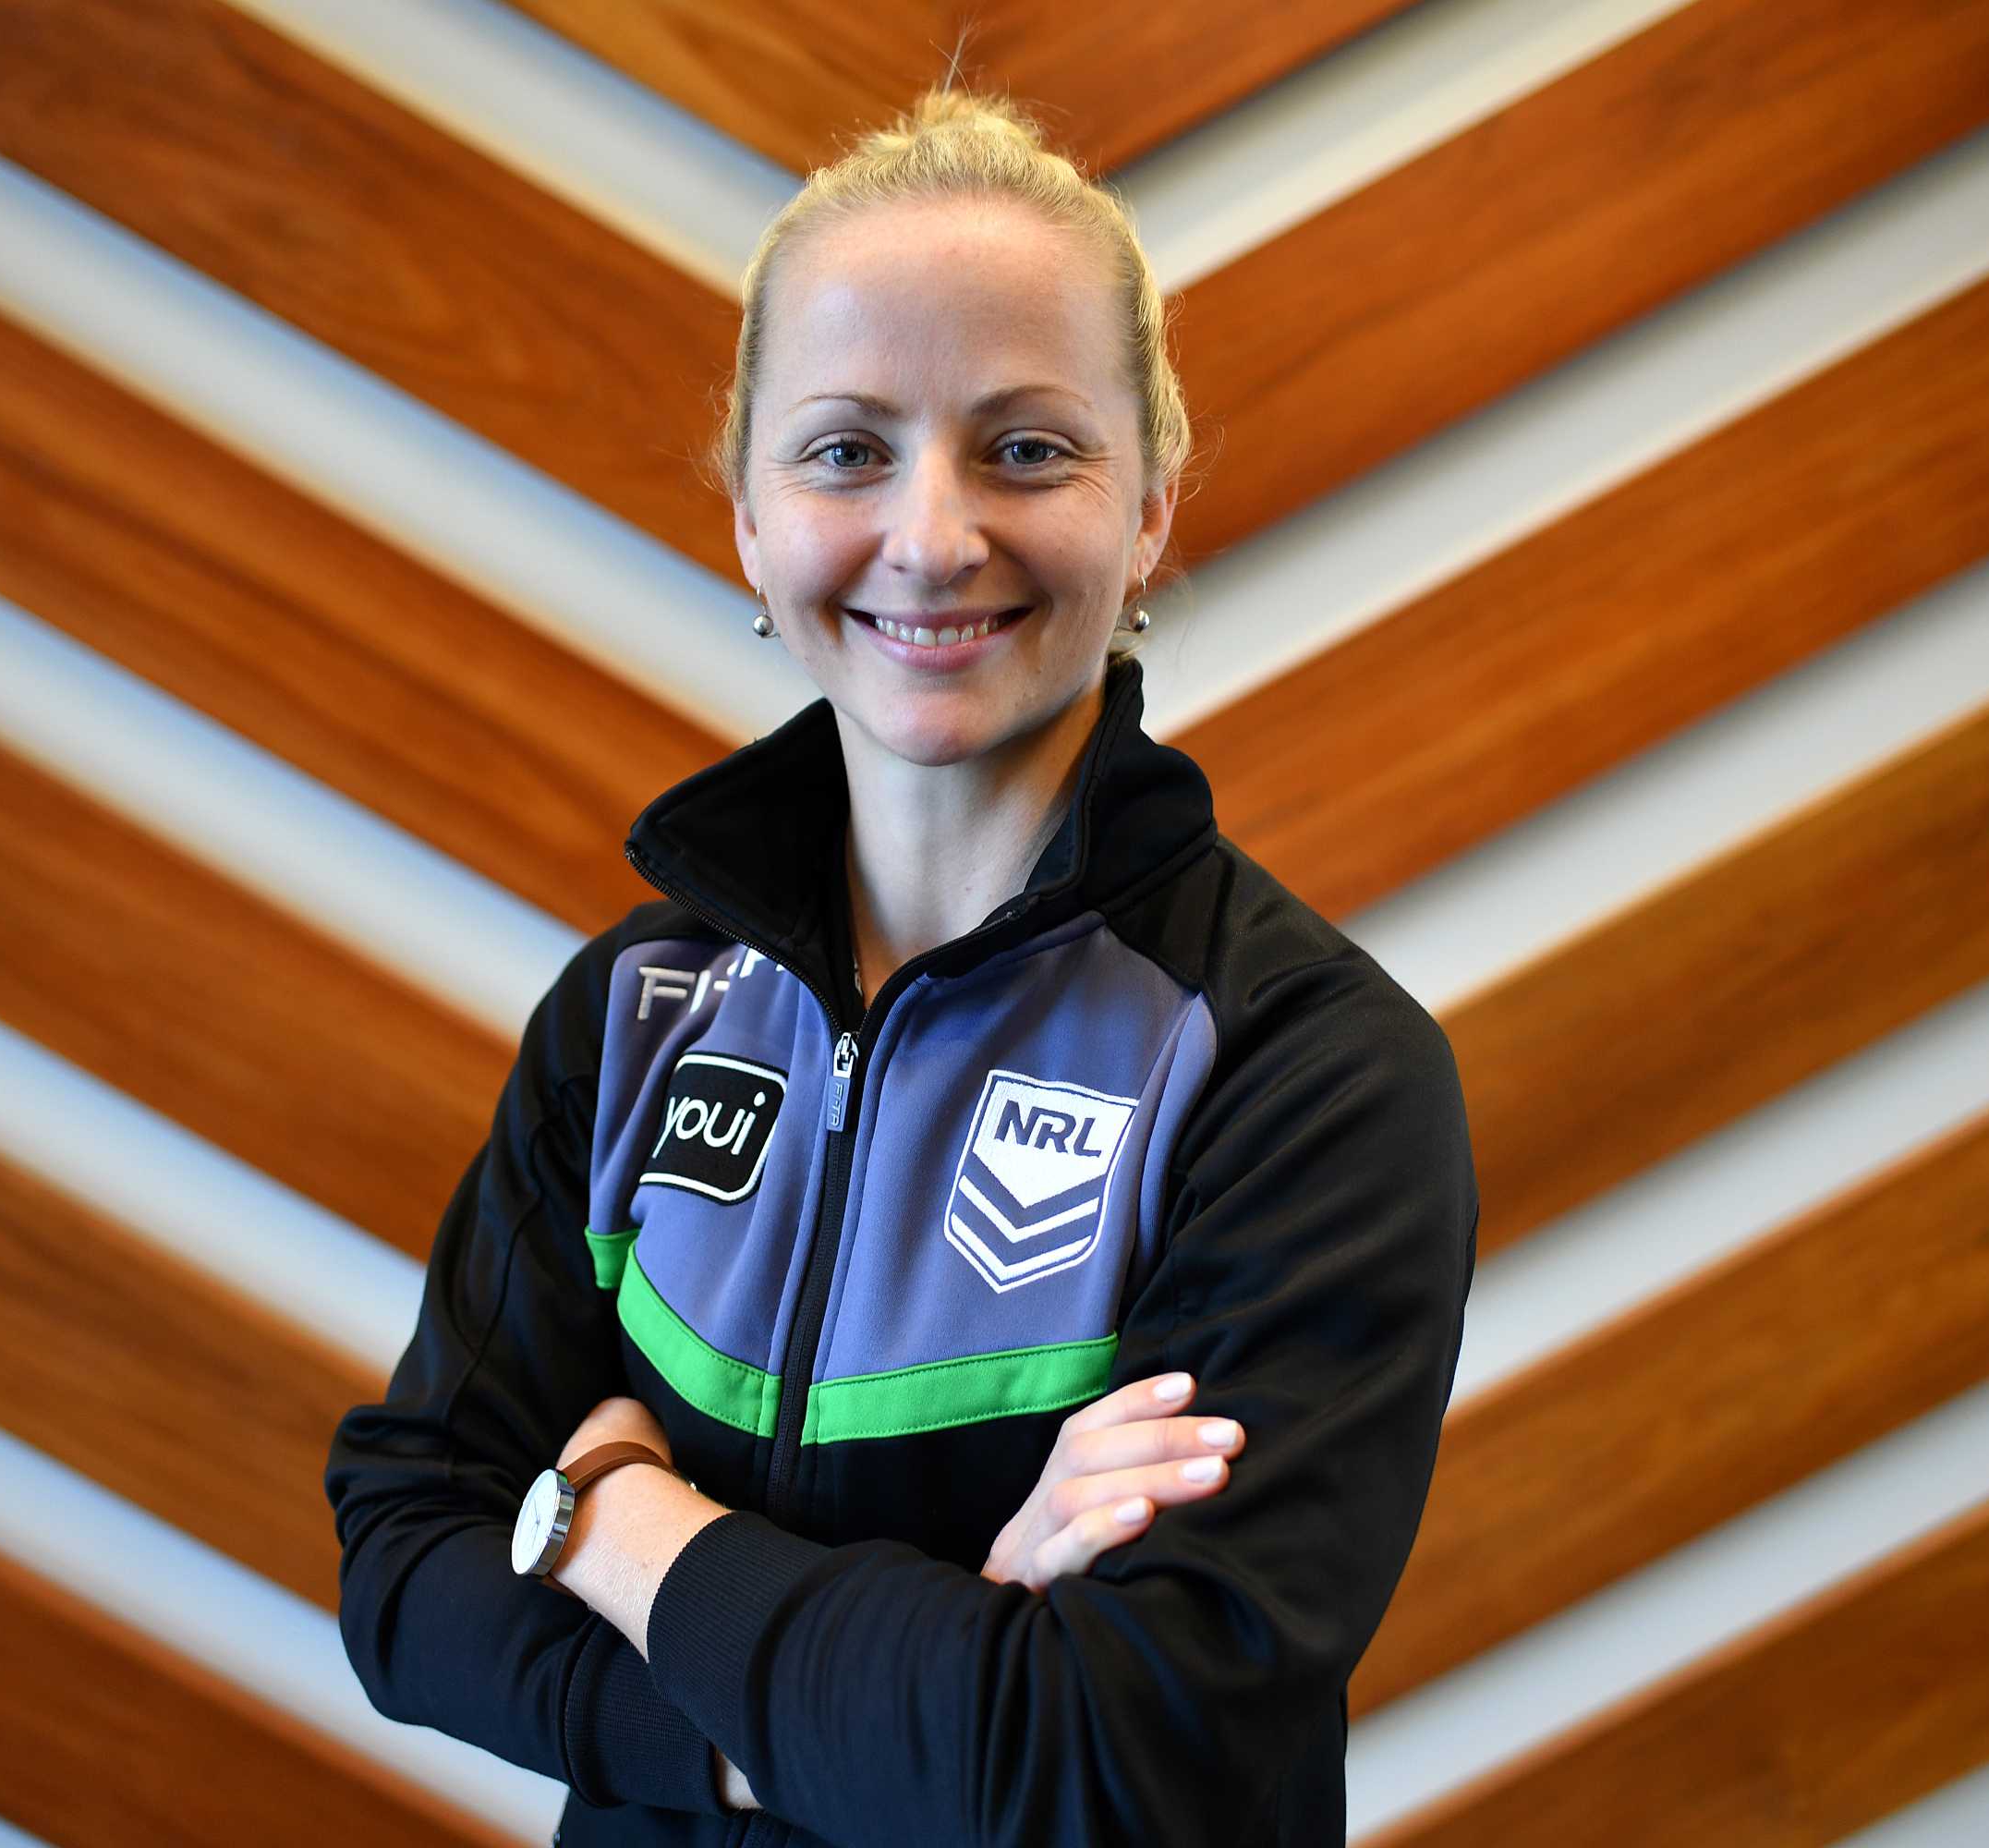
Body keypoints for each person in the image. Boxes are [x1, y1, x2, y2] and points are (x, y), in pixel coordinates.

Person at [325, 87, 1477, 1848]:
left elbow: (1096, 1764)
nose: (933, 539)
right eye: (847, 450)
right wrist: (831, 1720)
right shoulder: (631, 1023)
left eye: (1027, 448)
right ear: (744, 512)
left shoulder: (1306, 1073)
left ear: (1152, 500)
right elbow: (408, 1563)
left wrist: (632, 1531)